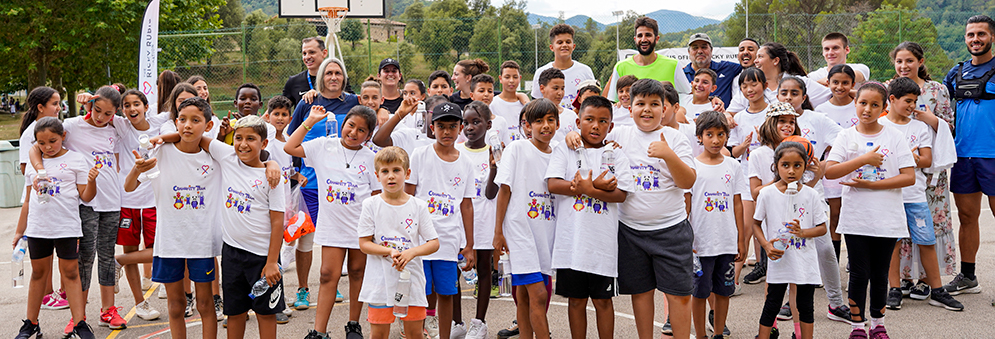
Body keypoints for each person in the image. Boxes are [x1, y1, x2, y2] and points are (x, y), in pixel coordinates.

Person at [29, 86, 130, 331]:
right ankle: (79, 316)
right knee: (84, 259)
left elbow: (140, 119)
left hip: (111, 202)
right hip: (85, 202)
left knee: (107, 257)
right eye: (97, 110)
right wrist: (40, 172)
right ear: (90, 105)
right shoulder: (72, 126)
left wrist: (109, 104)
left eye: (108, 113)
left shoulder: (117, 127)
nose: (100, 117)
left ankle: (108, 310)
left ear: (114, 113)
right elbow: (36, 145)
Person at [124, 97, 223, 339]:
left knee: (205, 304)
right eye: (182, 119)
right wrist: (138, 168)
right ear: (175, 122)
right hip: (169, 243)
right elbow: (128, 187)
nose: (187, 125)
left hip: (202, 244)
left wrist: (271, 162)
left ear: (208, 126)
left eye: (195, 120)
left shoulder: (216, 158)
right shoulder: (160, 152)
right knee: (176, 305)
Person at [825, 82, 916, 339]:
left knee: (879, 274)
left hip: (887, 219)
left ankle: (878, 324)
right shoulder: (846, 136)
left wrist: (872, 185)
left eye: (875, 105)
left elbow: (909, 177)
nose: (867, 109)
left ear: (884, 108)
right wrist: (863, 159)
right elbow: (830, 171)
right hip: (856, 219)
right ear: (855, 103)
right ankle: (857, 327)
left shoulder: (893, 136)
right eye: (863, 103)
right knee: (859, 273)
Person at [285, 105, 381, 339]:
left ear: (368, 136)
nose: (354, 132)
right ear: (343, 123)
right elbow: (290, 146)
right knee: (328, 274)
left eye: (362, 130)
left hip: (361, 228)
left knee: (358, 273)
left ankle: (353, 324)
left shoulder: (371, 158)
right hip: (333, 226)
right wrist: (310, 120)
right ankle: (319, 331)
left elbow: (377, 196)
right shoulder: (323, 146)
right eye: (351, 125)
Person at [546, 96, 629, 339]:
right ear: (578, 121)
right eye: (589, 119)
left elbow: (621, 195)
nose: (595, 126)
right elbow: (553, 184)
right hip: (572, 245)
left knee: (603, 302)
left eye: (603, 121)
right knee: (576, 302)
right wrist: (595, 185)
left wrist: (587, 188)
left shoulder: (615, 154)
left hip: (602, 247)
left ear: (610, 126)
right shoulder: (566, 149)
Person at [198, 115, 288, 339]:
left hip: (262, 258)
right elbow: (197, 137)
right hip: (232, 254)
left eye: (251, 138)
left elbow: (278, 221)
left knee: (265, 314)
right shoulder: (227, 156)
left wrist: (271, 262)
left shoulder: (272, 178)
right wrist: (159, 138)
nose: (243, 144)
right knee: (235, 313)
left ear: (264, 144)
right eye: (238, 138)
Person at [880, 77, 964, 311]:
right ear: (892, 99)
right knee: (893, 244)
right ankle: (894, 289)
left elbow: (927, 160)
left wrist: (904, 157)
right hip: (890, 197)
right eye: (908, 101)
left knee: (926, 241)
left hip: (916, 197)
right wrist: (910, 156)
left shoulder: (919, 127)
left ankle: (937, 290)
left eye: (915, 101)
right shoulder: (881, 126)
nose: (912, 106)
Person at [16, 117, 99, 339]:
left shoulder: (76, 160)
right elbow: (27, 200)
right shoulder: (35, 164)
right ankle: (31, 323)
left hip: (66, 226)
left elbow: (86, 196)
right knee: (38, 274)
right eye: (41, 143)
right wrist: (19, 231)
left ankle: (79, 324)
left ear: (63, 136)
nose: (47, 147)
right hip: (38, 227)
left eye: (52, 141)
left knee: (71, 273)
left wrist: (92, 181)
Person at [286, 59, 359, 303]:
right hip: (311, 185)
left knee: (337, 238)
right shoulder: (308, 102)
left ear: (344, 77)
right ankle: (303, 289)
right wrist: (296, 174)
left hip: (340, 185)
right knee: (306, 239)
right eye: (329, 72)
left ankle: (332, 283)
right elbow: (291, 138)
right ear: (321, 77)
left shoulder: (352, 102)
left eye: (338, 72)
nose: (333, 77)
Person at [405, 102, 476, 339]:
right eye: (441, 126)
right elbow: (408, 195)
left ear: (461, 128)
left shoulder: (466, 162)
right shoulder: (420, 154)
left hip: (448, 240)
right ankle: (415, 332)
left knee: (446, 293)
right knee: (418, 294)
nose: (447, 132)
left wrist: (469, 245)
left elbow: (466, 205)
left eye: (452, 126)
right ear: (432, 127)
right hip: (420, 239)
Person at [493, 99, 560, 339]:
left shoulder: (560, 152)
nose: (545, 126)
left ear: (558, 123)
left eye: (550, 120)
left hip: (546, 234)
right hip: (520, 231)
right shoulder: (517, 149)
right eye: (539, 121)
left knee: (524, 297)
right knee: (539, 296)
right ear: (527, 126)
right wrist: (498, 231)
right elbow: (505, 190)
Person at [358, 146, 441, 339]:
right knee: (378, 333)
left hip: (411, 280)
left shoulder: (418, 205)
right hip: (380, 281)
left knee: (414, 333)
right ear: (377, 176)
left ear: (407, 173)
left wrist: (411, 252)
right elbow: (364, 244)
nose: (391, 176)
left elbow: (433, 242)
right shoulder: (370, 204)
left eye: (396, 170)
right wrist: (388, 251)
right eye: (385, 171)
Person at [753, 141, 828, 339]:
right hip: (779, 260)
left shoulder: (811, 195)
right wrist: (766, 245)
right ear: (776, 166)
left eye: (797, 165)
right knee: (772, 303)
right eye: (785, 165)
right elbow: (755, 224)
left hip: (804, 261)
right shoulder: (766, 194)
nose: (791, 171)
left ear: (805, 166)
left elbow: (822, 228)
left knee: (805, 305)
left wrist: (802, 232)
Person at [944, 14, 995, 297]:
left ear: (992, 37)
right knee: (966, 216)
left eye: (981, 34)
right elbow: (934, 98)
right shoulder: (956, 72)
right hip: (963, 155)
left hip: (993, 156)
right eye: (970, 35)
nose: (975, 39)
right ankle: (968, 276)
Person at [687, 111, 746, 339]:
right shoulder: (692, 167)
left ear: (727, 136)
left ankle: (718, 333)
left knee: (723, 292)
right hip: (700, 244)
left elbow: (738, 204)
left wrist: (740, 239)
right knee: (700, 293)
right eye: (709, 134)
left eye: (720, 134)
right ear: (699, 137)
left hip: (726, 242)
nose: (715, 140)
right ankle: (701, 334)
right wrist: (687, 239)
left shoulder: (733, 165)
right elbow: (687, 205)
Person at [114, 90, 169, 321]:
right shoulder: (122, 127)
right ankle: (140, 303)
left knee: (162, 251)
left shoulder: (160, 123)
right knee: (131, 250)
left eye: (136, 104)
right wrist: (89, 98)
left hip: (154, 200)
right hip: (127, 200)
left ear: (146, 106)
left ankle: (116, 262)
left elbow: (178, 110)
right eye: (126, 105)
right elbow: (95, 112)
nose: (132, 109)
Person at [457, 101, 501, 339]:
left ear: (488, 124)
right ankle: (456, 322)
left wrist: (494, 168)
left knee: (484, 270)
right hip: (460, 222)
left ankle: (479, 322)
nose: (470, 127)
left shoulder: (493, 153)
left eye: (476, 122)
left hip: (483, 220)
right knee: (453, 272)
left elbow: (491, 193)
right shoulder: (457, 150)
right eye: (466, 123)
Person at [814, 65, 858, 262]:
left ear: (853, 84)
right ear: (828, 83)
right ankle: (832, 264)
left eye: (845, 83)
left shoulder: (859, 105)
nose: (840, 87)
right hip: (832, 170)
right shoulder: (821, 110)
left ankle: (853, 262)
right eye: (835, 82)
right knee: (834, 216)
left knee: (852, 216)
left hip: (857, 169)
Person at [604, 17, 691, 103]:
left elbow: (687, 96)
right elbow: (614, 102)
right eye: (640, 35)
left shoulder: (673, 65)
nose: (643, 39)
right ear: (635, 39)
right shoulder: (620, 67)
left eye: (648, 35)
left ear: (656, 39)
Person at [728, 43, 831, 115]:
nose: (756, 61)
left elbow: (832, 96)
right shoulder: (752, 87)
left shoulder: (800, 82)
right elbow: (731, 112)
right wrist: (728, 116)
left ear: (775, 61)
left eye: (760, 57)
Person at [530, 24, 595, 110]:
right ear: (552, 47)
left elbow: (594, 100)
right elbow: (535, 103)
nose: (564, 45)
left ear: (573, 46)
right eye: (560, 42)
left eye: (568, 42)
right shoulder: (541, 72)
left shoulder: (585, 71)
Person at [683, 33, 743, 106]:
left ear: (711, 50)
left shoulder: (727, 68)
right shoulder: (681, 75)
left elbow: (751, 66)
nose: (700, 51)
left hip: (722, 116)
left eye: (704, 47)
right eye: (695, 48)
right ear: (689, 52)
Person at [491, 61, 529, 144]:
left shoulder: (524, 103)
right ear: (500, 79)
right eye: (507, 77)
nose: (511, 80)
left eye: (515, 77)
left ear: (520, 78)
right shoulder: (493, 104)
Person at [537, 68, 577, 146]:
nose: (560, 93)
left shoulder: (571, 115)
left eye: (562, 88)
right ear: (542, 88)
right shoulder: (534, 114)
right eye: (555, 88)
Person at [283, 37, 329, 106]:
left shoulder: (337, 78)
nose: (307, 57)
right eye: (304, 53)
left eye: (312, 52)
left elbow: (349, 102)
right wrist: (262, 117)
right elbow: (279, 108)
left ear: (324, 53)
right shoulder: (293, 82)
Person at [726, 38, 761, 113]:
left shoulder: (767, 76)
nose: (745, 52)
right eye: (741, 50)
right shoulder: (735, 79)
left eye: (750, 49)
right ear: (738, 56)